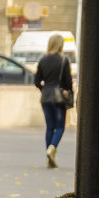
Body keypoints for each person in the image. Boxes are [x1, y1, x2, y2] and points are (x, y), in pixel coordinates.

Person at [33, 33, 73, 169]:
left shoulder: (43, 59)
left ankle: (49, 158)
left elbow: (36, 80)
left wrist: (44, 89)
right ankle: (52, 148)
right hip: (59, 98)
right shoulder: (63, 60)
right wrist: (69, 92)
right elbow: (68, 81)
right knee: (60, 127)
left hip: (45, 97)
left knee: (50, 127)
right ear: (60, 45)